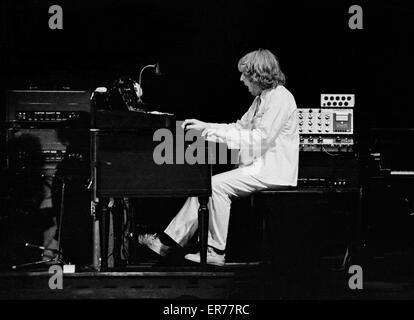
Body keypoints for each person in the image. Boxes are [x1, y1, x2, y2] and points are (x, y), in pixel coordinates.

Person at [138, 48, 299, 266]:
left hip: (271, 170)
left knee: (215, 186)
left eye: (245, 74)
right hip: (258, 168)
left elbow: (259, 138)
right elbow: (238, 127)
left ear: (258, 75)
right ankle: (169, 244)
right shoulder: (263, 99)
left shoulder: (280, 98)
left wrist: (210, 132)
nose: (242, 79)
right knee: (204, 186)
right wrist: (206, 127)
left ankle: (215, 251)